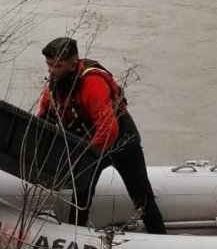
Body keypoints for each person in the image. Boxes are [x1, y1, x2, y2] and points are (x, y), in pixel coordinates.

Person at [36, 37, 167, 234]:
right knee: (81, 194)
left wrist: (84, 158)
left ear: (73, 64)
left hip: (122, 142)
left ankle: (159, 235)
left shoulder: (92, 84)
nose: (51, 71)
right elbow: (43, 118)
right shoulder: (53, 87)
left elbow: (108, 130)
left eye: (58, 66)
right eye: (49, 65)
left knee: (141, 196)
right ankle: (76, 234)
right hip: (91, 141)